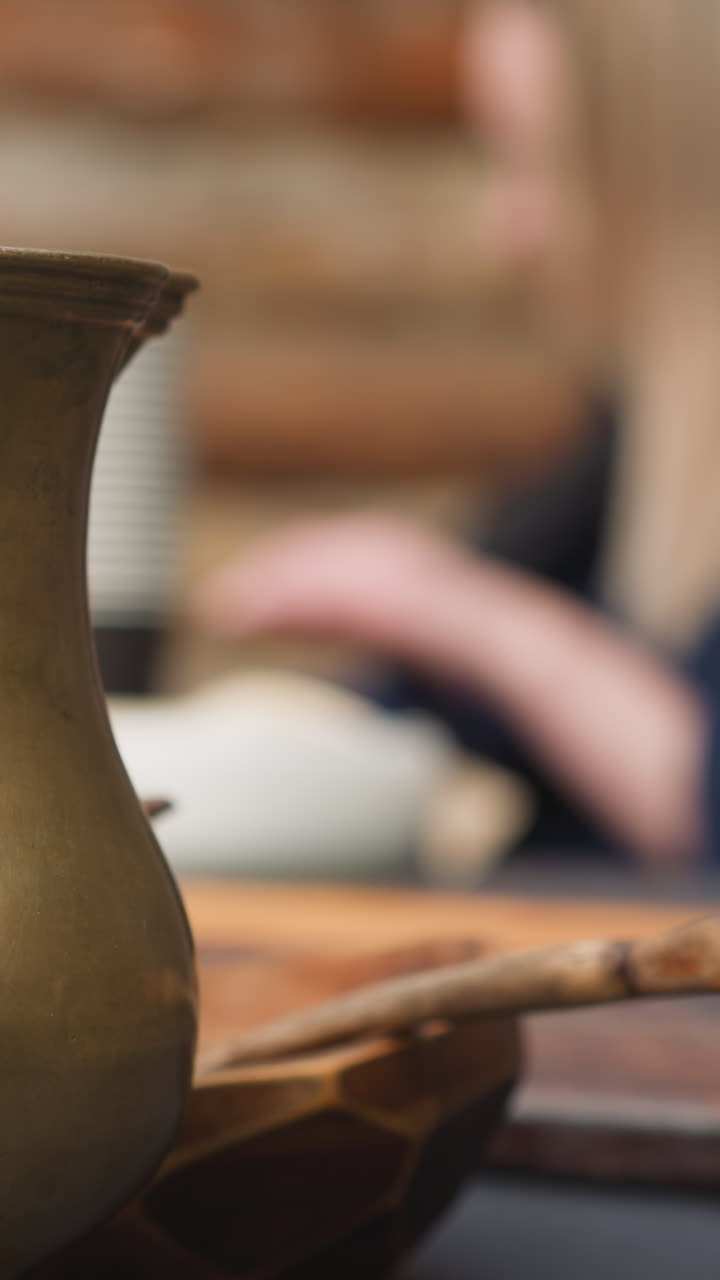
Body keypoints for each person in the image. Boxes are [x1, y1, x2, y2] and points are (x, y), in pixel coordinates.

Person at [194, 0, 720, 869]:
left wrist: (448, 611)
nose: (505, 229)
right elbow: (421, 710)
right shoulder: (623, 458)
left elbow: (703, 803)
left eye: (534, 164)